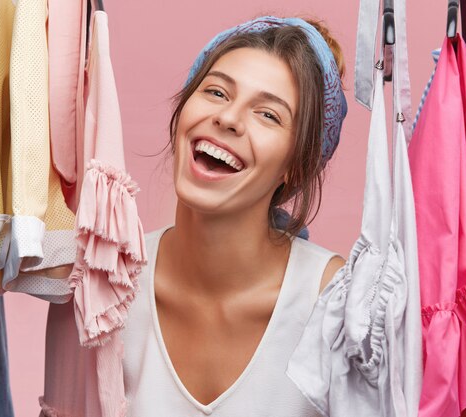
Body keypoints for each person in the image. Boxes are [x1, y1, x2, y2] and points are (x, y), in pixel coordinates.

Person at [120, 15, 349, 416]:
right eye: (217, 92)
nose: (228, 118)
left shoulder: (337, 305)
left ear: (295, 166)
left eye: (268, 115)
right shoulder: (108, 290)